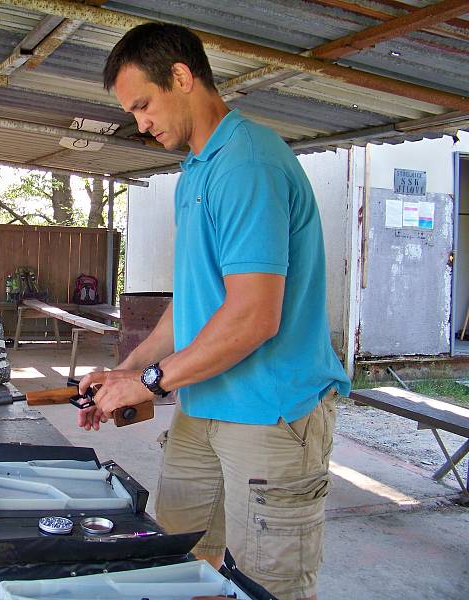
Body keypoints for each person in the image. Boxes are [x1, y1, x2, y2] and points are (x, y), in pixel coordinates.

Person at [77, 22, 351, 600]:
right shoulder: (194, 173)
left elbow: (253, 317)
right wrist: (129, 372)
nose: (141, 123)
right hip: (205, 407)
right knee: (175, 560)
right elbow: (195, 304)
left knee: (267, 586)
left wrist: (151, 382)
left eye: (144, 105)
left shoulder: (247, 162)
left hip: (271, 414)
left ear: (182, 76)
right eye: (133, 112)